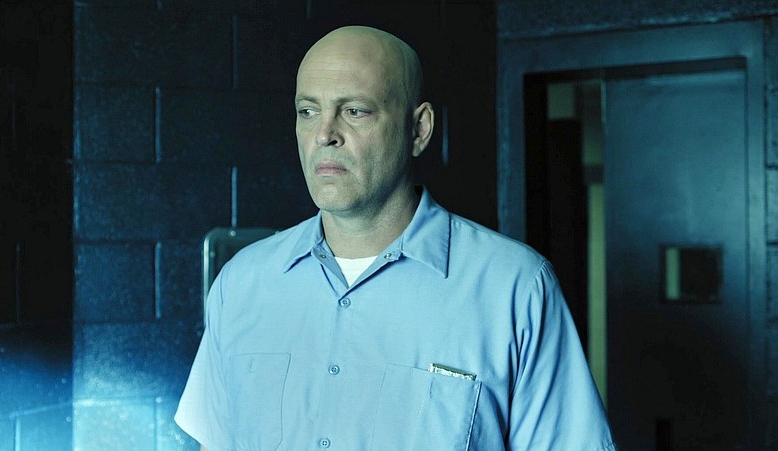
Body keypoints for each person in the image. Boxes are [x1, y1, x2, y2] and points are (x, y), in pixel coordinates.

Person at [175, 25, 616, 451]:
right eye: (308, 111)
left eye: (355, 111)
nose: (324, 134)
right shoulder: (241, 285)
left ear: (419, 129)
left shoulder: (514, 288)